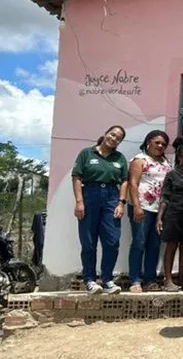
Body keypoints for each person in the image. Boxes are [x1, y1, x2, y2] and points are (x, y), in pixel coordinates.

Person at [72, 125, 128, 295]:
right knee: (88, 242)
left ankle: (108, 280)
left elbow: (124, 181)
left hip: (112, 197)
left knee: (112, 241)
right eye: (112, 134)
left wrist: (121, 203)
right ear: (105, 134)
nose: (114, 138)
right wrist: (79, 202)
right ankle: (89, 280)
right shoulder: (86, 154)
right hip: (90, 195)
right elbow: (76, 177)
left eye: (118, 138)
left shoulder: (120, 158)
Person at [127, 130, 171, 293]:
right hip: (142, 207)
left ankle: (150, 279)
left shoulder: (165, 162)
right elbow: (133, 184)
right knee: (139, 242)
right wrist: (137, 206)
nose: (160, 146)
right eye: (157, 142)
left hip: (159, 211)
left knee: (154, 245)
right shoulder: (139, 160)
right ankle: (135, 280)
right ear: (148, 142)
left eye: (163, 144)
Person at [156, 137, 183, 292]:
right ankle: (168, 280)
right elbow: (165, 196)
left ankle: (181, 280)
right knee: (171, 246)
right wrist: (159, 217)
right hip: (173, 214)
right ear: (179, 157)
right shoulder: (172, 174)